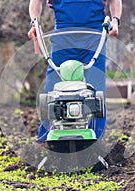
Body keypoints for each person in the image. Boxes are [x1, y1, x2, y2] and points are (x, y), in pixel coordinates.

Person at [28, 0, 122, 143]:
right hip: (63, 37)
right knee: (51, 89)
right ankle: (46, 141)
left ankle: (94, 142)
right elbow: (36, 2)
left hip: (94, 37)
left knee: (96, 93)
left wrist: (115, 20)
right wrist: (35, 23)